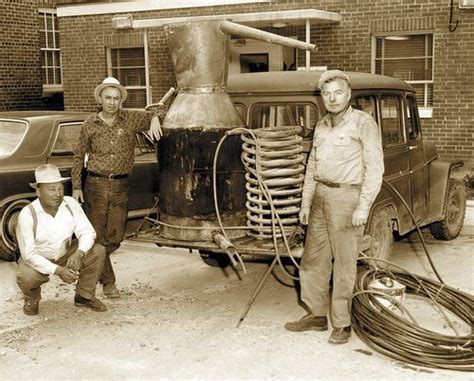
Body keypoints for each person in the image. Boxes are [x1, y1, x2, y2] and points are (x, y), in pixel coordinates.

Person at [285, 70, 384, 344]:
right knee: (313, 259)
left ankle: (342, 324)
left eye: (338, 92)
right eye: (327, 94)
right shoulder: (321, 125)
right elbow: (312, 166)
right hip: (320, 195)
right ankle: (316, 315)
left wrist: (363, 206)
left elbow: (375, 168)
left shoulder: (363, 123)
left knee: (344, 264)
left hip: (347, 198)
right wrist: (306, 202)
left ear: (348, 94)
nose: (332, 98)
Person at [72, 77, 162, 299]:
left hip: (120, 186)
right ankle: (107, 283)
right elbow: (77, 156)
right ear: (100, 99)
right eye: (108, 98)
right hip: (95, 184)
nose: (112, 102)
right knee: (96, 237)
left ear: (121, 101)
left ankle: (87, 265)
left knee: (114, 238)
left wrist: (155, 119)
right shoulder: (89, 124)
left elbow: (162, 108)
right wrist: (76, 186)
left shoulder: (130, 119)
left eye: (116, 98)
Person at [16, 164, 107, 315]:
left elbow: (88, 232)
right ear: (38, 191)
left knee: (98, 251)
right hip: (39, 257)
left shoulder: (70, 203)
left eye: (60, 188)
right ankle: (31, 298)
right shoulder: (27, 214)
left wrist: (79, 253)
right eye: (51, 189)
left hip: (65, 253)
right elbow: (30, 255)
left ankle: (84, 296)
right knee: (26, 276)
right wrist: (58, 271)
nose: (57, 194)